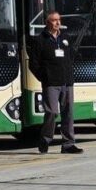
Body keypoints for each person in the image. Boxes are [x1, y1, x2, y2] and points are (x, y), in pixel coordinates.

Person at [29, 10, 83, 154]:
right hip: (51, 83)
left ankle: (68, 144)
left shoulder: (65, 38)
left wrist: (69, 74)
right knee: (52, 112)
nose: (58, 23)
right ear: (47, 23)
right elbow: (33, 64)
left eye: (59, 20)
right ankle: (45, 139)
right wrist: (45, 77)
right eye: (54, 20)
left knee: (68, 113)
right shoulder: (40, 40)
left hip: (67, 82)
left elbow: (71, 57)